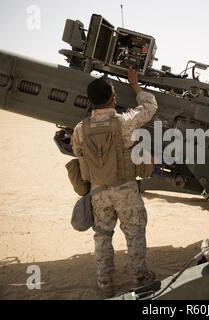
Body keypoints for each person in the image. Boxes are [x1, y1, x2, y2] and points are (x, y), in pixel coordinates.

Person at [71, 67, 158, 297]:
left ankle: (104, 283)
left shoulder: (81, 129)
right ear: (113, 98)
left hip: (98, 192)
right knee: (135, 233)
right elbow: (150, 107)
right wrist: (136, 85)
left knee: (102, 236)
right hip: (125, 189)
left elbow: (77, 150)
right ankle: (140, 278)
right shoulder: (124, 122)